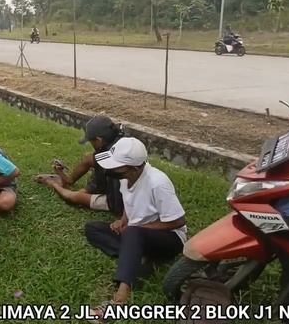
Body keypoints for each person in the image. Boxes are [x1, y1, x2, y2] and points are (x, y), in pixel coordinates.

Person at [84, 137, 186, 321]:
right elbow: (130, 204)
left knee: (132, 232)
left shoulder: (158, 182)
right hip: (137, 233)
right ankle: (135, 257)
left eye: (118, 168)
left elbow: (178, 221)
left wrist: (135, 228)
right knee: (93, 228)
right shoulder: (126, 177)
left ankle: (120, 299)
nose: (113, 171)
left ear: (136, 168)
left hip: (169, 238)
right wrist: (123, 220)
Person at [35, 116, 125, 216]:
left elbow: (97, 187)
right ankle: (68, 179)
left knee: (75, 197)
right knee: (88, 158)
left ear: (98, 140)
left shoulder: (108, 158)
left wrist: (82, 191)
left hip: (119, 202)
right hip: (116, 184)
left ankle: (53, 183)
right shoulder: (118, 137)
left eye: (91, 141)